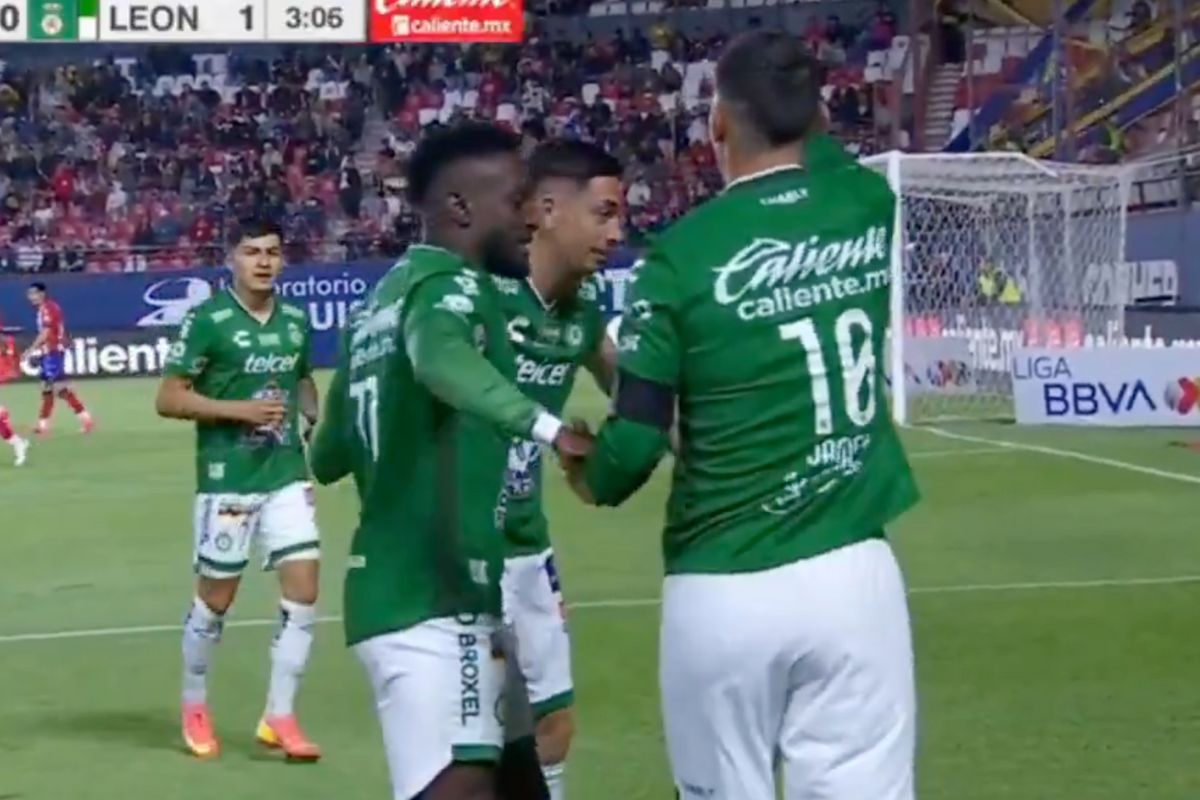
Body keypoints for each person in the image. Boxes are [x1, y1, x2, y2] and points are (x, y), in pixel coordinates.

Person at [563, 31, 921, 800]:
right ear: (816, 112)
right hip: (853, 573)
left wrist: (589, 473)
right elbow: (823, 149)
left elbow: (635, 443)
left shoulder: (679, 257)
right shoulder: (867, 203)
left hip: (724, 583)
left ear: (718, 122)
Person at [309, 122, 592, 800]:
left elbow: (327, 455)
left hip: (417, 592)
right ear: (460, 206)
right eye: (517, 200)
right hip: (433, 599)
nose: (532, 217)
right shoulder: (452, 289)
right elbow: (440, 358)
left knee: (523, 779)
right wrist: (550, 429)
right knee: (465, 785)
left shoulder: (375, 305)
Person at [155, 215, 322, 762]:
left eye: (272, 251)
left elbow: (301, 379)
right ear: (232, 258)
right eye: (252, 252)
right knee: (216, 600)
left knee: (304, 590)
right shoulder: (209, 320)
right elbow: (169, 398)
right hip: (227, 479)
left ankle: (280, 715)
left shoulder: (295, 320)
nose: (264, 261)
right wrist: (239, 411)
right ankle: (194, 705)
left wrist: (314, 419)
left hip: (285, 474)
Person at [495, 138, 623, 800]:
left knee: (555, 724)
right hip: (458, 552)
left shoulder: (582, 313)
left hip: (527, 545)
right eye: (604, 214)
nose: (616, 234)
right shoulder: (482, 297)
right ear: (546, 210)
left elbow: (639, 400)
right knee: (473, 742)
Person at [25, 282, 93, 436]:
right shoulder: (45, 309)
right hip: (49, 352)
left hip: (53, 353)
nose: (31, 297)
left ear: (42, 293)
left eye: (33, 293)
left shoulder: (48, 308)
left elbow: (47, 332)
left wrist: (31, 349)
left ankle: (84, 419)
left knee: (58, 388)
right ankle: (44, 425)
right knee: (50, 389)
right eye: (29, 294)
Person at [0, 401, 29, 466]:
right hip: (2, 413)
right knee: (8, 438)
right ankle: (22, 444)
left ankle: (21, 456)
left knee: (9, 437)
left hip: (1, 415)